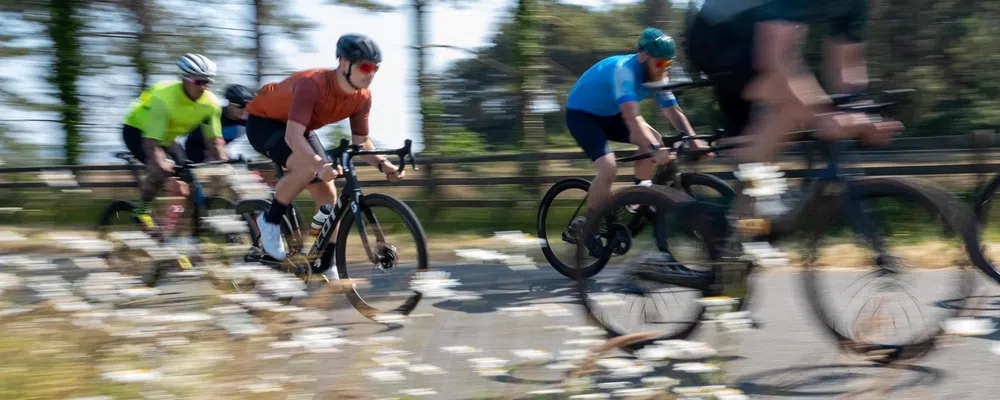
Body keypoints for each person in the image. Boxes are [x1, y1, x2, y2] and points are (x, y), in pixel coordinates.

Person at [245, 33, 402, 262]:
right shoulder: (312, 84)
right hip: (265, 124)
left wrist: (385, 165)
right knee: (308, 167)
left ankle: (324, 262)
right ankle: (269, 220)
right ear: (344, 63)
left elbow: (361, 142)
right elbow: (292, 137)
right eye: (366, 67)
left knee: (328, 191)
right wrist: (319, 165)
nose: (371, 74)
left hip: (300, 128)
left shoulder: (362, 97)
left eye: (376, 69)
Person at [563, 27, 705, 254]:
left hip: (610, 115)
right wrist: (654, 149)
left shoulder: (656, 73)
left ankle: (638, 196)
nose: (663, 69)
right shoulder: (624, 71)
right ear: (643, 56)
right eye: (659, 64)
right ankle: (588, 227)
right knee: (609, 167)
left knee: (655, 138)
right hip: (583, 115)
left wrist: (694, 140)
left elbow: (673, 111)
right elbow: (631, 116)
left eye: (667, 65)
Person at [121, 53, 226, 223]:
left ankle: (180, 230)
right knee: (161, 171)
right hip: (138, 131)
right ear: (184, 79)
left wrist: (224, 164)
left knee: (190, 181)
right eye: (198, 82)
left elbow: (215, 141)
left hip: (167, 137)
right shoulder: (163, 99)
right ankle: (141, 210)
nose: (203, 87)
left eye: (207, 82)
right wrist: (162, 163)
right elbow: (152, 143)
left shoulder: (211, 104)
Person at [184, 84, 256, 163]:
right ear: (229, 103)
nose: (245, 110)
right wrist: (223, 160)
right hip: (197, 148)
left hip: (221, 149)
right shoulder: (215, 114)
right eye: (241, 106)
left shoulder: (249, 119)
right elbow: (215, 142)